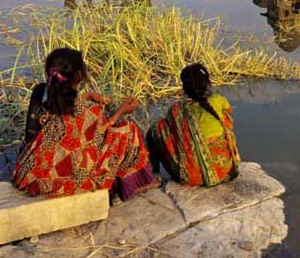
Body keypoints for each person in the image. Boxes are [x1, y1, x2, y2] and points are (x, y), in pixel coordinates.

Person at [13, 47, 159, 200]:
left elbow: (65, 112)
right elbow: (101, 132)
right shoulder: (86, 110)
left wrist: (87, 96)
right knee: (128, 131)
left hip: (28, 173)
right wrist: (121, 111)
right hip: (54, 182)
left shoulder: (42, 92)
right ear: (79, 75)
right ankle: (131, 185)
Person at [147, 63, 240, 186]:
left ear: (185, 88)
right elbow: (228, 113)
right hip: (226, 170)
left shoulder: (178, 110)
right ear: (208, 83)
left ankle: (154, 172)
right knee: (224, 118)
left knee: (156, 128)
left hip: (193, 177)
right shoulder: (218, 99)